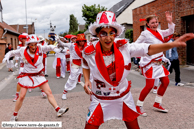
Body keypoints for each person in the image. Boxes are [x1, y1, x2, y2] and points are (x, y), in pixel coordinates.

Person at [82, 11, 194, 129]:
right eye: (103, 33)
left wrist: (171, 45)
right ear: (97, 34)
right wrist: (86, 80)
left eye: (112, 33)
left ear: (116, 34)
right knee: (90, 126)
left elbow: (147, 49)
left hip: (122, 97)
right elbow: (85, 64)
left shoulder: (124, 47)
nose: (108, 38)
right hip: (100, 98)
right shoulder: (89, 51)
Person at [3, 34, 69, 121]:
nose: (33, 46)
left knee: (49, 92)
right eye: (31, 45)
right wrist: (7, 56)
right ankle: (14, 115)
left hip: (38, 75)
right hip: (27, 75)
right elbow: (12, 52)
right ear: (28, 45)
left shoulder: (41, 48)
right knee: (22, 96)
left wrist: (57, 49)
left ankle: (58, 109)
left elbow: (50, 47)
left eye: (35, 44)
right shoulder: (23, 50)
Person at [134, 11, 176, 117]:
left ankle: (157, 103)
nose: (155, 24)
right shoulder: (145, 34)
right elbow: (136, 45)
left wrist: (170, 22)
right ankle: (138, 106)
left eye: (156, 22)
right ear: (147, 24)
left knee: (165, 82)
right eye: (152, 22)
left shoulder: (160, 32)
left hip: (159, 63)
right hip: (149, 63)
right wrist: (144, 53)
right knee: (149, 86)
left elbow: (170, 31)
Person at [58, 34, 87, 100]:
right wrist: (58, 40)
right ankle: (65, 92)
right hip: (75, 63)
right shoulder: (72, 45)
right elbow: (63, 44)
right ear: (78, 41)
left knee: (90, 75)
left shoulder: (86, 46)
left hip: (83, 63)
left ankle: (94, 93)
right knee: (72, 78)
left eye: (83, 41)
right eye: (80, 41)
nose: (82, 42)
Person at [13, 33, 29, 101]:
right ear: (21, 39)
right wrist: (16, 62)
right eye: (23, 38)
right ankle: (17, 95)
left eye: (25, 38)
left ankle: (43, 92)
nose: (24, 40)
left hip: (30, 65)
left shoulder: (30, 46)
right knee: (20, 81)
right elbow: (17, 55)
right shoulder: (19, 47)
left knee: (36, 77)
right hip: (22, 65)